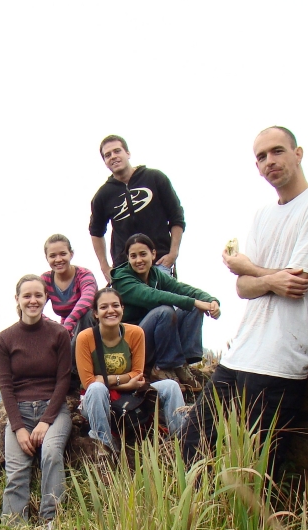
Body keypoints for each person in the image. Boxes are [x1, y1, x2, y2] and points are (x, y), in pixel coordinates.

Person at [181, 126, 308, 475]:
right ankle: (200, 525)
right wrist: (266, 277)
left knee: (256, 466)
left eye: (277, 151)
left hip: (282, 359)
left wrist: (251, 270)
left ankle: (256, 529)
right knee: (193, 446)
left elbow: (296, 282)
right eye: (261, 157)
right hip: (242, 352)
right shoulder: (263, 215)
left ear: (297, 153)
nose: (270, 161)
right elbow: (242, 288)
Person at [0, 274, 72, 526]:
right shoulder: (5, 339)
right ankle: (14, 529)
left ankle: (51, 520)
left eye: (38, 295)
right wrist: (18, 428)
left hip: (54, 409)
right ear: (17, 299)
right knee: (16, 469)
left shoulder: (59, 334)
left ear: (46, 298)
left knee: (50, 453)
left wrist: (45, 421)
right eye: (26, 295)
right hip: (20, 411)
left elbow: (63, 381)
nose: (32, 300)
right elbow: (5, 386)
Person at [75, 287, 185, 452]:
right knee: (97, 388)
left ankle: (179, 441)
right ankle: (105, 445)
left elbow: (137, 374)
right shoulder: (85, 338)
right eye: (104, 307)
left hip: (129, 394)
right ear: (95, 313)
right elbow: (89, 383)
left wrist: (109, 381)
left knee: (171, 386)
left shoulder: (135, 333)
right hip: (95, 399)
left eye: (115, 305)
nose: (110, 311)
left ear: (122, 309)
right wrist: (126, 383)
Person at [110, 233, 221, 378]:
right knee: (165, 311)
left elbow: (182, 289)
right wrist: (193, 301)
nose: (139, 260)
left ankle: (182, 365)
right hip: (132, 344)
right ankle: (162, 367)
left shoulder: (155, 274)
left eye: (143, 254)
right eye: (133, 256)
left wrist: (211, 301)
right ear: (128, 258)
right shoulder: (122, 279)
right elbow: (151, 296)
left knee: (192, 308)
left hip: (156, 338)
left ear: (153, 254)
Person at [90, 134, 186, 282]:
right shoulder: (103, 195)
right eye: (107, 155)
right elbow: (96, 231)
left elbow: (176, 217)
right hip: (125, 268)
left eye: (117, 151)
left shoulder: (155, 178)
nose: (113, 157)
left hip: (160, 262)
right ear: (105, 162)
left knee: (164, 305)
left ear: (127, 153)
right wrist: (105, 267)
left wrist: (173, 253)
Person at [41, 233, 98, 338]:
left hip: (88, 326)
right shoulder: (45, 280)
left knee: (88, 315)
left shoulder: (84, 274)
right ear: (47, 258)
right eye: (53, 256)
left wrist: (69, 321)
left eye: (63, 254)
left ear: (71, 254)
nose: (58, 259)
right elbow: (34, 307)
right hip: (64, 327)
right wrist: (55, 326)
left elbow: (88, 298)